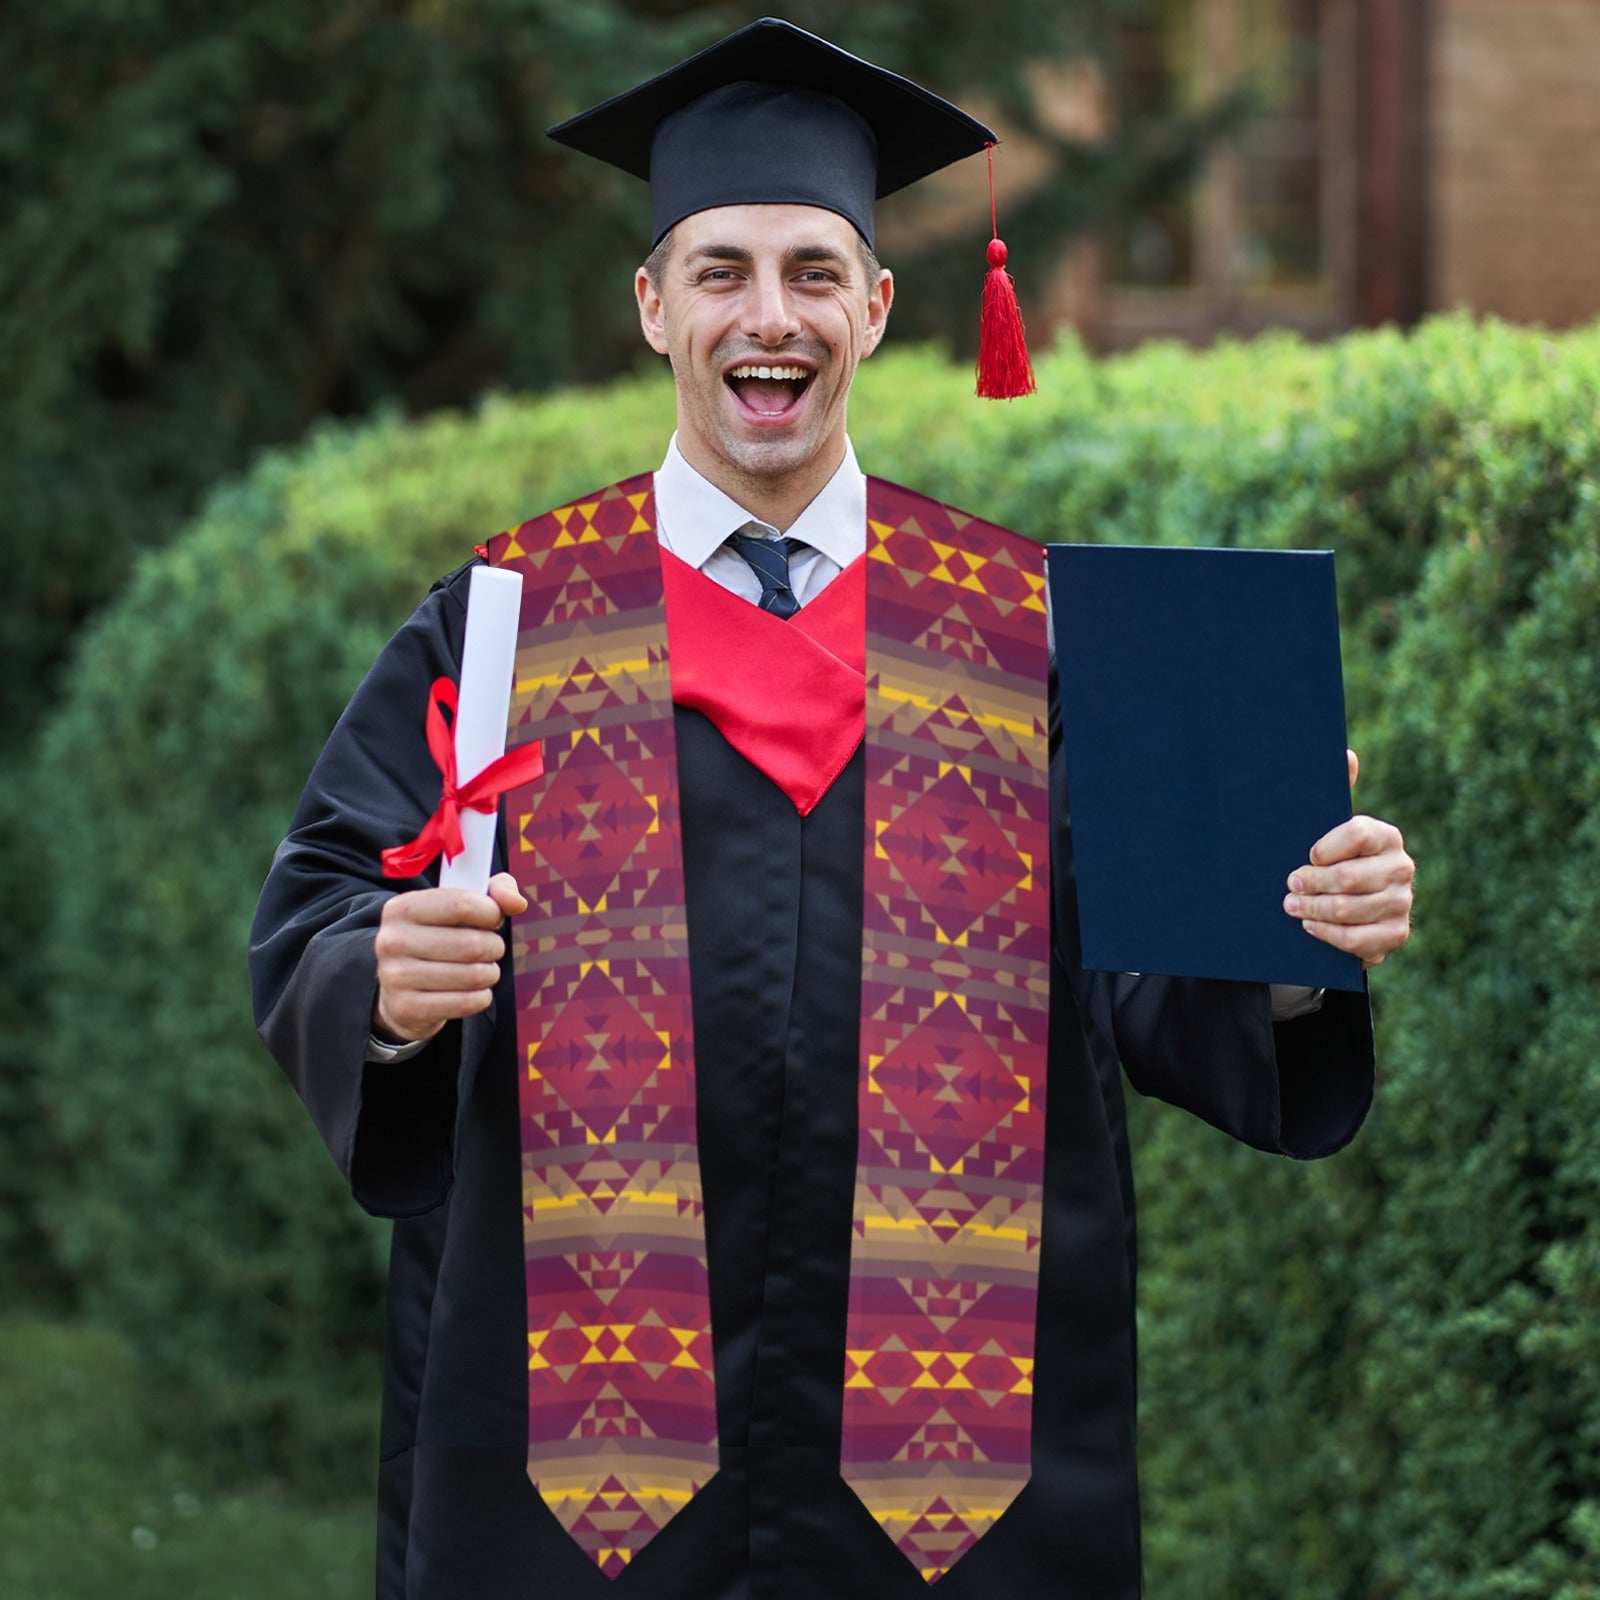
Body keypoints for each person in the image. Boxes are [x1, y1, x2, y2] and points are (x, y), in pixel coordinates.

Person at [250, 19, 1414, 1600]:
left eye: (812, 271)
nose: (768, 317)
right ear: (654, 305)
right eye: (721, 270)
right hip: (572, 1461)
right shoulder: (513, 621)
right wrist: (379, 983)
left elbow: (1150, 980)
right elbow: (323, 903)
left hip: (960, 1467)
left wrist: (1292, 936)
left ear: (876, 305)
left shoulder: (1029, 632)